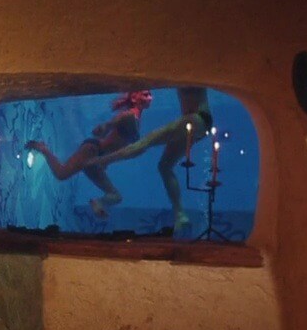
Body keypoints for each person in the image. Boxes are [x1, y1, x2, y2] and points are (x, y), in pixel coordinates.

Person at [25, 90, 153, 218]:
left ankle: (98, 203)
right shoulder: (129, 115)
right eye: (146, 95)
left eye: (150, 95)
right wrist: (103, 128)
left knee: (116, 196)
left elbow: (115, 141)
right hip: (92, 150)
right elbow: (110, 126)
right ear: (134, 98)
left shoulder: (136, 119)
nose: (150, 98)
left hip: (98, 159)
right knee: (61, 174)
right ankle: (43, 148)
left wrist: (105, 160)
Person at [82, 107, 213, 231]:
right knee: (165, 166)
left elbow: (136, 145)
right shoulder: (132, 114)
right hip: (201, 126)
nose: (149, 97)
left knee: (143, 146)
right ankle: (180, 215)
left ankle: (97, 161)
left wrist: (102, 159)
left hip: (197, 119)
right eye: (145, 95)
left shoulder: (133, 113)